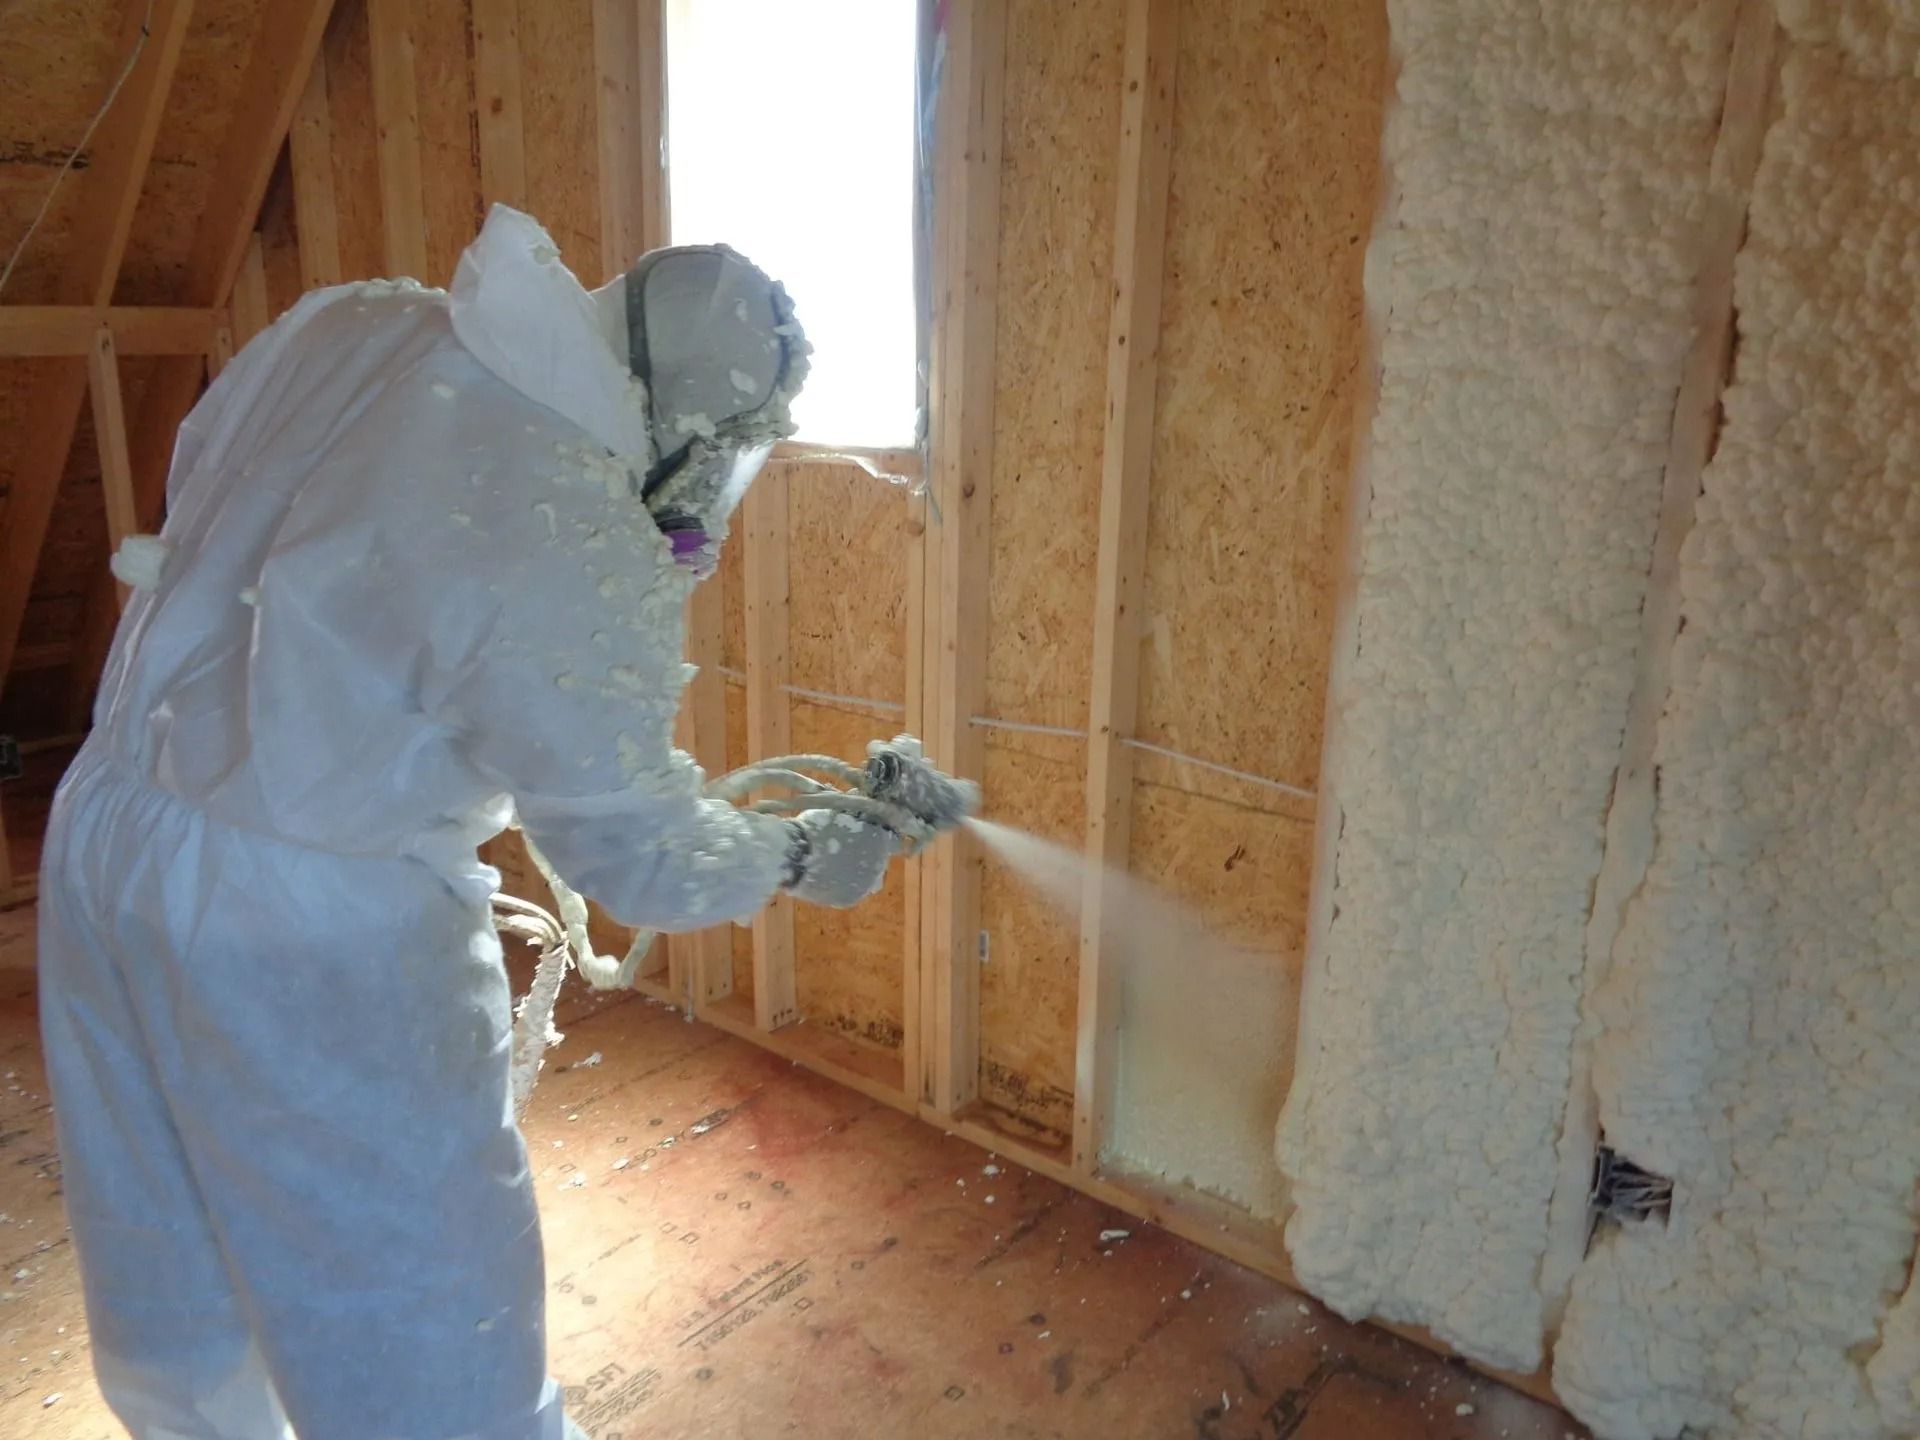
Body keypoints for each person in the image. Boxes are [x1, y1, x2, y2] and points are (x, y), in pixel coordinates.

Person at [37, 204, 904, 1440]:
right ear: (708, 428)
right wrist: (806, 850)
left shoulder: (366, 319)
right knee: (418, 1296)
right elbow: (645, 860)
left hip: (113, 818)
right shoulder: (571, 521)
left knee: (163, 1242)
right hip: (307, 927)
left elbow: (213, 490)